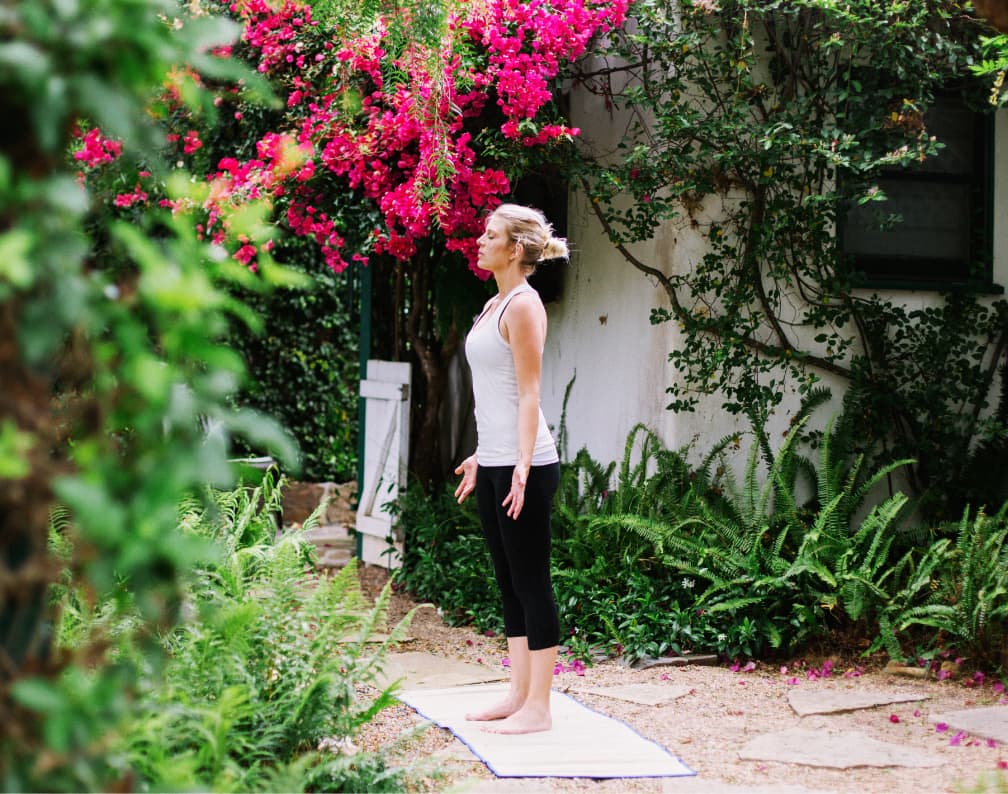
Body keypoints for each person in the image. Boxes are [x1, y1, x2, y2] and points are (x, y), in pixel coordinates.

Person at [453, 203, 568, 735]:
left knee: (531, 581)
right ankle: (518, 694)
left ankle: (539, 708)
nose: (480, 240)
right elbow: (492, 397)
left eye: (490, 235)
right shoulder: (491, 304)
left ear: (516, 249)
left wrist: (521, 462)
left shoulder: (523, 305)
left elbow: (528, 394)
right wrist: (485, 453)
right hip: (497, 461)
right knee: (508, 583)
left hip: (529, 465)